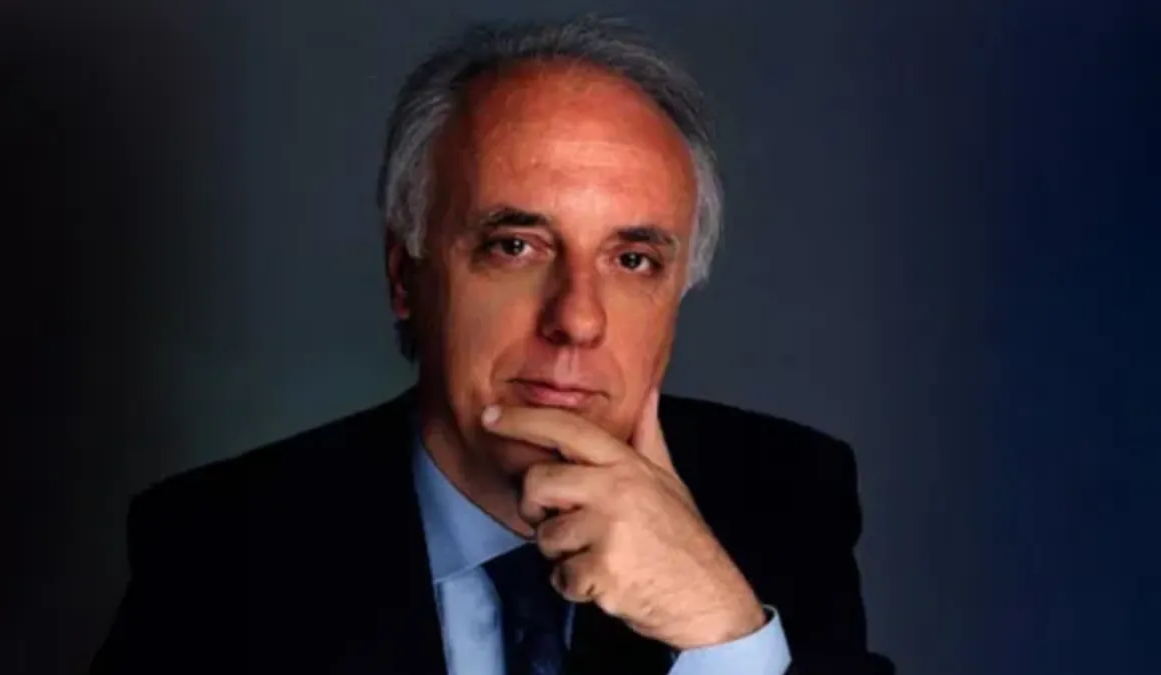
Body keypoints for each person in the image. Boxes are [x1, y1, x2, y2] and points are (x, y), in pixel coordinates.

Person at [91, 15, 894, 675]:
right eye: (516, 246)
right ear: (406, 276)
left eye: (632, 260)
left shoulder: (786, 504)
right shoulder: (219, 548)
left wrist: (724, 637)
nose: (577, 319)